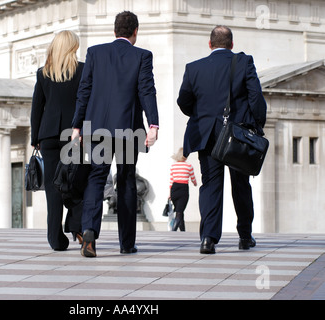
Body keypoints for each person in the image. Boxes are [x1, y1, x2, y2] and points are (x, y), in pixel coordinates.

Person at [71, 11, 159, 257]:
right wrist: (153, 124)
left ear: (114, 31)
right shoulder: (142, 56)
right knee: (127, 180)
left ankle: (89, 231)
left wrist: (76, 126)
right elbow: (146, 91)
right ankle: (126, 243)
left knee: (97, 177)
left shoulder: (95, 53)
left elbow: (84, 91)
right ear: (135, 32)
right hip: (128, 129)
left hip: (97, 128)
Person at [177, 25, 267, 254]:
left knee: (210, 186)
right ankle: (245, 237)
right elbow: (256, 97)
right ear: (232, 44)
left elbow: (183, 101)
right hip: (238, 135)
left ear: (210, 44)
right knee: (241, 186)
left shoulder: (193, 68)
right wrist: (257, 126)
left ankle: (208, 238)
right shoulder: (244, 62)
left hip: (207, 135)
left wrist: (201, 116)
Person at [30, 30, 84, 251]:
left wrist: (35, 138)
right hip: (73, 134)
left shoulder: (43, 73)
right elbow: (85, 102)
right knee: (75, 183)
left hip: (49, 135)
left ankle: (55, 238)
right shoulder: (82, 70)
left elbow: (36, 108)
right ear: (73, 47)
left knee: (53, 186)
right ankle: (76, 226)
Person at [169, 148, 197, 232]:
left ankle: (183, 231)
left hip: (174, 189)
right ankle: (173, 230)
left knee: (180, 211)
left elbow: (171, 180)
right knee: (179, 212)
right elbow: (193, 178)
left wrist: (169, 194)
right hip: (183, 189)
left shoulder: (173, 166)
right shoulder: (188, 166)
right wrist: (195, 183)